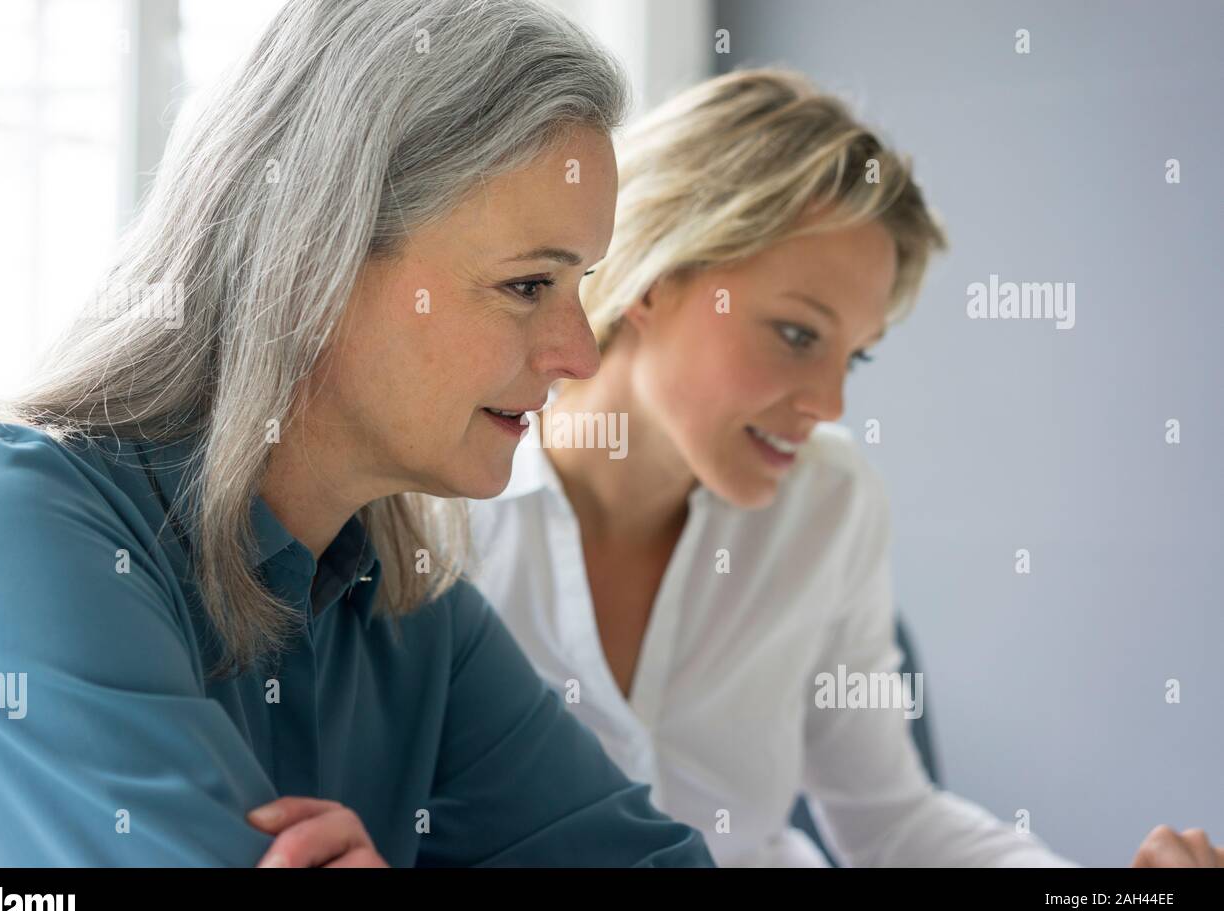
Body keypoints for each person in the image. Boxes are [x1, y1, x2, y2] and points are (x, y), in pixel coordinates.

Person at [0, 0, 714, 868]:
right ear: (314, 258)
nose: (581, 354)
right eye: (529, 285)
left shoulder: (414, 614)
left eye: (581, 286)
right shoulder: (11, 533)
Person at [465, 69, 1222, 868]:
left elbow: (892, 822)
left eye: (854, 357)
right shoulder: (443, 512)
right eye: (797, 334)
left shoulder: (828, 500)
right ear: (654, 276)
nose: (829, 404)